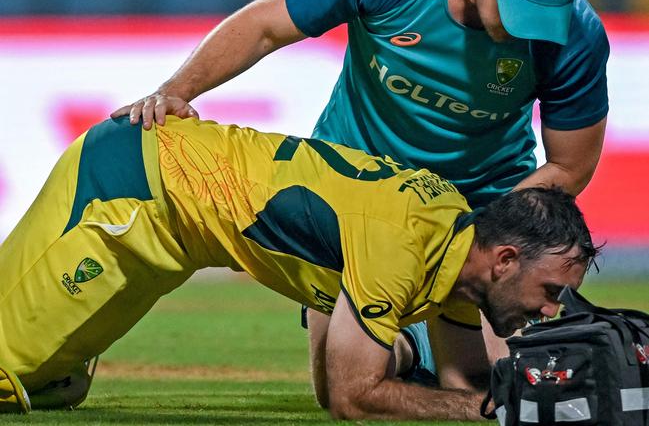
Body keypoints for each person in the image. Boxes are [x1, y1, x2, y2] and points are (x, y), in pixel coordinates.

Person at [110, 0, 609, 402]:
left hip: (484, 203)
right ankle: (410, 343)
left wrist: (480, 232)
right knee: (339, 387)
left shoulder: (575, 35)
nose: (529, 29)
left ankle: (417, 345)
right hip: (356, 194)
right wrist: (178, 90)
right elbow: (264, 26)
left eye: (545, 15)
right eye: (519, 8)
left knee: (502, 387)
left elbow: (569, 165)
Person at [0, 116, 598, 419]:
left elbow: (465, 385)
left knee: (54, 386)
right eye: (550, 290)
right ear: (506, 259)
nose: (550, 309)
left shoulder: (458, 242)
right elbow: (350, 397)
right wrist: (490, 408)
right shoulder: (401, 246)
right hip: (130, 188)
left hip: (175, 229)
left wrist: (544, 401)